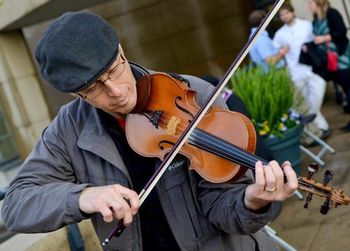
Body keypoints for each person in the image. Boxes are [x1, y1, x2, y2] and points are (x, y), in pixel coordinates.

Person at [1, 12, 298, 251]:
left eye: (114, 70)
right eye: (94, 88)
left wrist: (253, 201)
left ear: (121, 50)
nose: (116, 91)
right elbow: (15, 206)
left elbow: (222, 207)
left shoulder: (193, 94)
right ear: (77, 95)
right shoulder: (67, 131)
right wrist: (83, 196)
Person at [273, 3, 330, 139]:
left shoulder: (307, 25)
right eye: (281, 15)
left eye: (286, 13)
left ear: (292, 12)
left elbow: (318, 43)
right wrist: (281, 53)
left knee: (315, 99)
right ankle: (323, 128)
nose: (285, 16)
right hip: (295, 73)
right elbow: (275, 55)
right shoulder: (279, 34)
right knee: (306, 103)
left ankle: (318, 128)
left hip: (313, 69)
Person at [307, 0, 350, 132]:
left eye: (310, 3)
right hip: (331, 62)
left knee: (349, 88)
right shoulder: (316, 20)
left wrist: (324, 38)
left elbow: (341, 32)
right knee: (346, 89)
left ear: (318, 3)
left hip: (342, 58)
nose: (309, 6)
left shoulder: (332, 13)